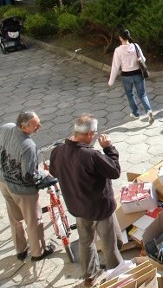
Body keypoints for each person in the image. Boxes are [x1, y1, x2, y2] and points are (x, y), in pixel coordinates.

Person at [49, 114, 122, 287]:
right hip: (99, 209)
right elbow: (114, 171)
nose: (95, 137)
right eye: (94, 134)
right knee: (109, 245)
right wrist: (109, 148)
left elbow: (53, 172)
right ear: (89, 134)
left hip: (78, 207)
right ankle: (118, 275)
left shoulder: (57, 151)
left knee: (86, 241)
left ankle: (89, 276)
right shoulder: (91, 155)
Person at [0, 111, 54, 262]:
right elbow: (29, 176)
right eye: (36, 125)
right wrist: (44, 175)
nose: (39, 127)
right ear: (23, 127)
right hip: (22, 190)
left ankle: (20, 250)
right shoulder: (28, 146)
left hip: (4, 182)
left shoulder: (6, 127)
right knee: (33, 221)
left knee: (15, 219)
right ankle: (38, 252)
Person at [107, 29, 154, 124]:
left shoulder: (118, 50)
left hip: (126, 76)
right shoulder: (135, 46)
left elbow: (115, 66)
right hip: (138, 74)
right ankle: (148, 111)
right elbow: (143, 59)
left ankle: (136, 113)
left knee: (130, 94)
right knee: (142, 94)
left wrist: (111, 81)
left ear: (120, 38)